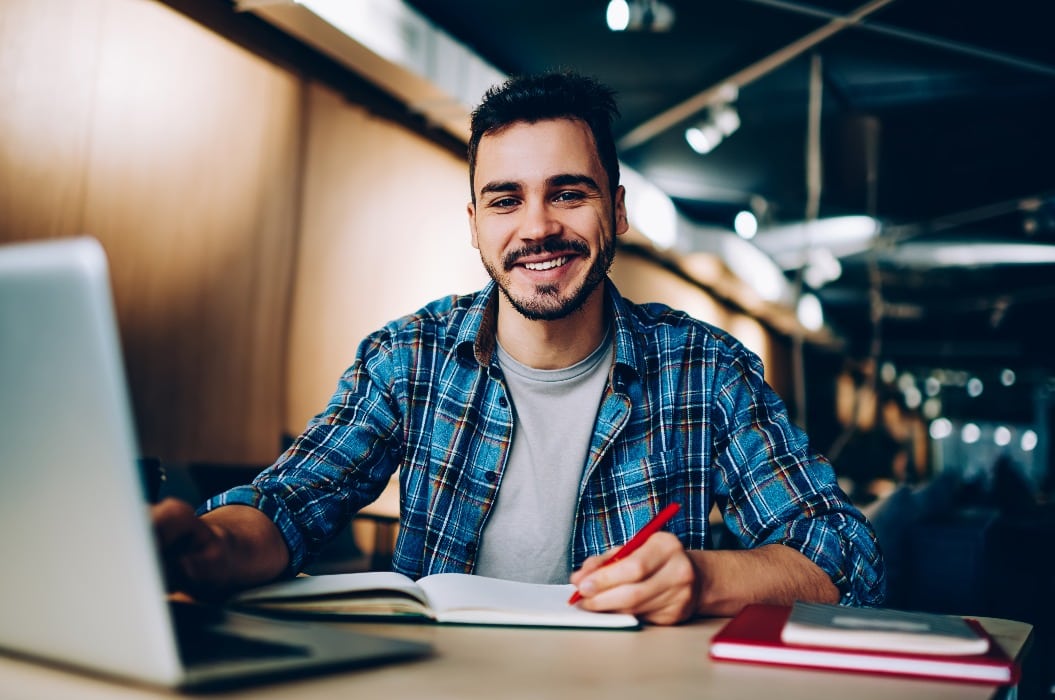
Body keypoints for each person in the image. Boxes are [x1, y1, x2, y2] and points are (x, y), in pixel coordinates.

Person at [154, 71, 885, 625]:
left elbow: (847, 558)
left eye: (568, 192)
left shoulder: (708, 371)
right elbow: (289, 504)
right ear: (474, 224)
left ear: (618, 210)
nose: (536, 227)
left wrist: (704, 577)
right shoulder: (409, 357)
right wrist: (211, 547)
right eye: (506, 200)